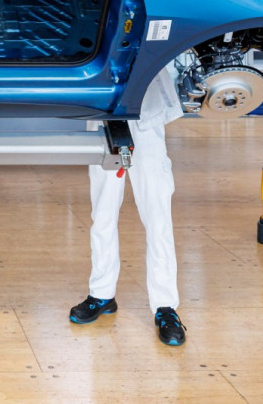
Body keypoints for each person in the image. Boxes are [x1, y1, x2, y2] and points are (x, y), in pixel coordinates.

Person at [69, 62, 187, 346]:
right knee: (103, 213)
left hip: (146, 115)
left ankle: (165, 307)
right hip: (103, 112)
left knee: (157, 217)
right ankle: (102, 293)